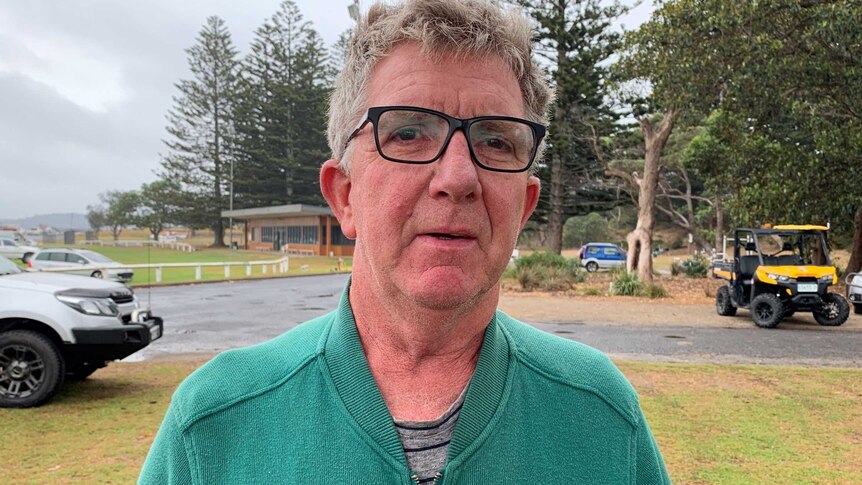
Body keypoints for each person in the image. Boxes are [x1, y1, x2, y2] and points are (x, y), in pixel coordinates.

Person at [139, 0, 670, 483]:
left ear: (524, 205)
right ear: (344, 196)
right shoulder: (213, 426)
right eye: (409, 134)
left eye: (495, 140)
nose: (458, 177)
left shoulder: (600, 415)